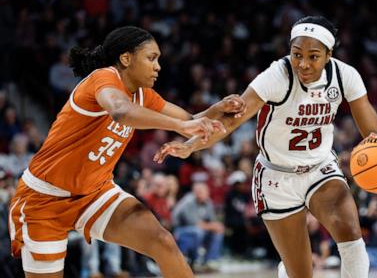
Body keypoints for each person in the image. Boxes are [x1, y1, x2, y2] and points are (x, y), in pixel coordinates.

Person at [8, 25, 246, 278]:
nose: (158, 67)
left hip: (95, 192)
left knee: (162, 241)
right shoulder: (103, 78)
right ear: (126, 58)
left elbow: (190, 119)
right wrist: (182, 125)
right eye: (151, 58)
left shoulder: (144, 95)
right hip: (44, 199)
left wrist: (217, 109)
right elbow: (121, 111)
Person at [154, 16, 377, 278]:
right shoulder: (277, 75)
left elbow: (373, 135)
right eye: (297, 54)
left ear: (329, 54)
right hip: (276, 176)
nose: (303, 64)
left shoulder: (345, 75)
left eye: (313, 56)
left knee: (350, 234)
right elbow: (230, 123)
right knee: (299, 272)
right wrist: (190, 147)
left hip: (320, 168)